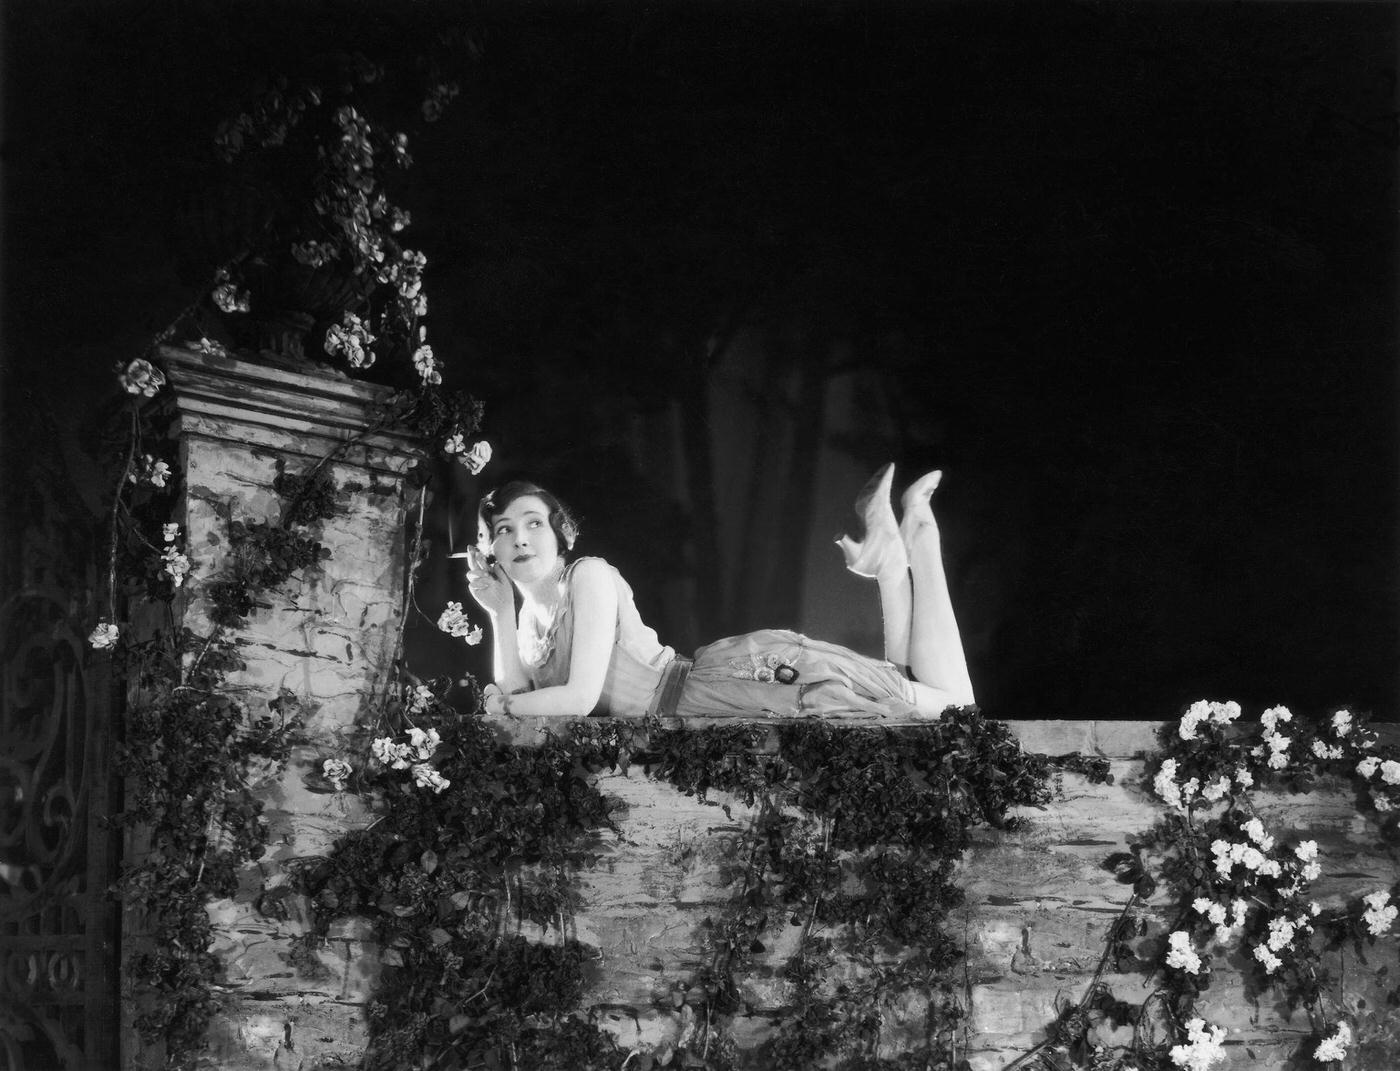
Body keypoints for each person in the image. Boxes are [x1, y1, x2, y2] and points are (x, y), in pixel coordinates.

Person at [464, 465, 975, 722]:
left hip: (718, 690)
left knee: (954, 705)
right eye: (504, 530)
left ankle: (922, 542)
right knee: (907, 689)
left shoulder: (588, 576)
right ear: (492, 548)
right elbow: (515, 690)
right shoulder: (529, 613)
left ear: (560, 533)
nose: (520, 538)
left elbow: (575, 699)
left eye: (532, 523)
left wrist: (504, 709)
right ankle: (889, 566)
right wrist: (500, 611)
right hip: (691, 710)